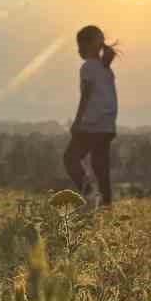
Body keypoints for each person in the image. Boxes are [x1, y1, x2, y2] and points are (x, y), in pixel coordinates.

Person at [64, 24, 118, 206]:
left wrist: (77, 122)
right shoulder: (106, 68)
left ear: (87, 46)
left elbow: (86, 96)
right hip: (107, 125)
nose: (78, 50)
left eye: (79, 45)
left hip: (92, 124)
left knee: (70, 159)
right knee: (100, 166)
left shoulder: (87, 68)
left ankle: (89, 194)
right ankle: (106, 204)